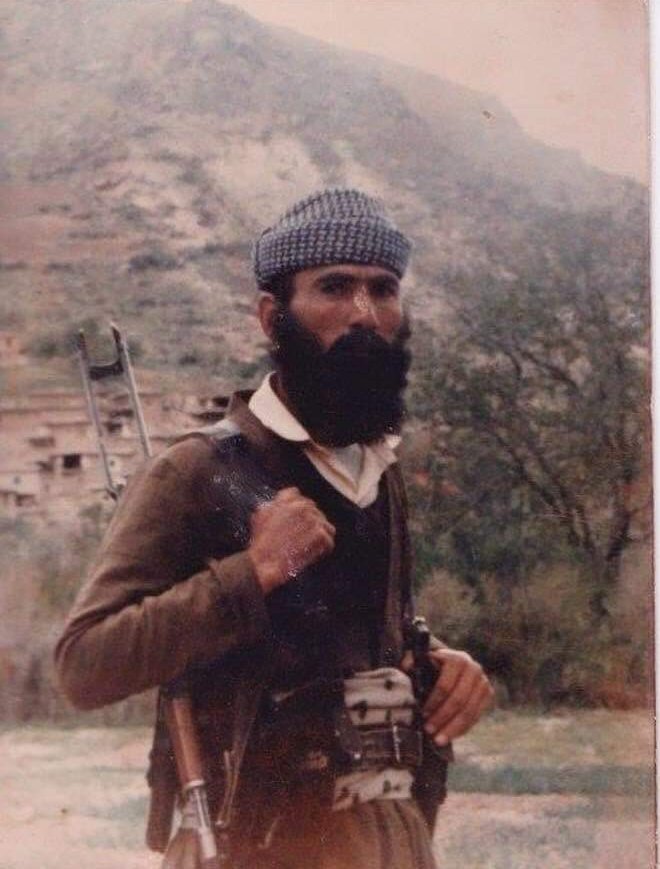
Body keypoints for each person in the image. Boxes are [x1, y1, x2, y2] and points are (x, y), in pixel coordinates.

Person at [55, 188, 493, 869]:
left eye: (383, 289)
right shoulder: (199, 472)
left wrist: (438, 665)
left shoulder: (380, 470)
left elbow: (360, 640)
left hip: (393, 842)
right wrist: (250, 575)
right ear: (271, 316)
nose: (364, 314)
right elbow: (82, 664)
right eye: (334, 288)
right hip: (252, 847)